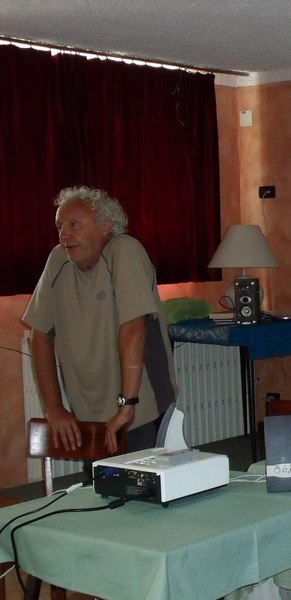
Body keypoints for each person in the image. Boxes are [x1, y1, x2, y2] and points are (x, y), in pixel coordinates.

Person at [23, 186, 178, 454]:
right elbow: (40, 335)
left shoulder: (124, 251)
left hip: (141, 408)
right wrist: (54, 408)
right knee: (103, 491)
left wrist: (126, 404)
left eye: (74, 224)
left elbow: (133, 329)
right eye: (60, 226)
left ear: (106, 227)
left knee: (146, 490)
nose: (64, 235)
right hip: (88, 413)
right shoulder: (58, 260)